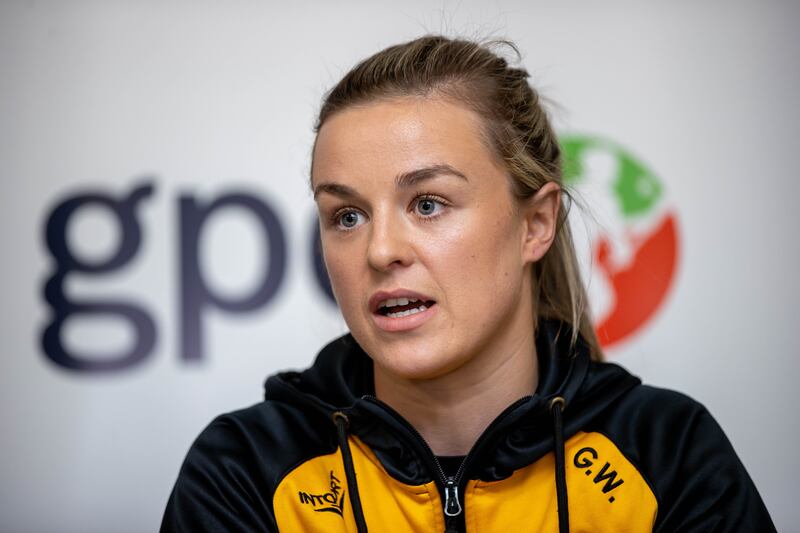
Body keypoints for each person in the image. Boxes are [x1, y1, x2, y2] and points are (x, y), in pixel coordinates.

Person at [161, 35, 775, 532]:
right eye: (346, 216)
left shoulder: (669, 454)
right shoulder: (246, 468)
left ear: (535, 224)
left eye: (427, 204)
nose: (379, 250)